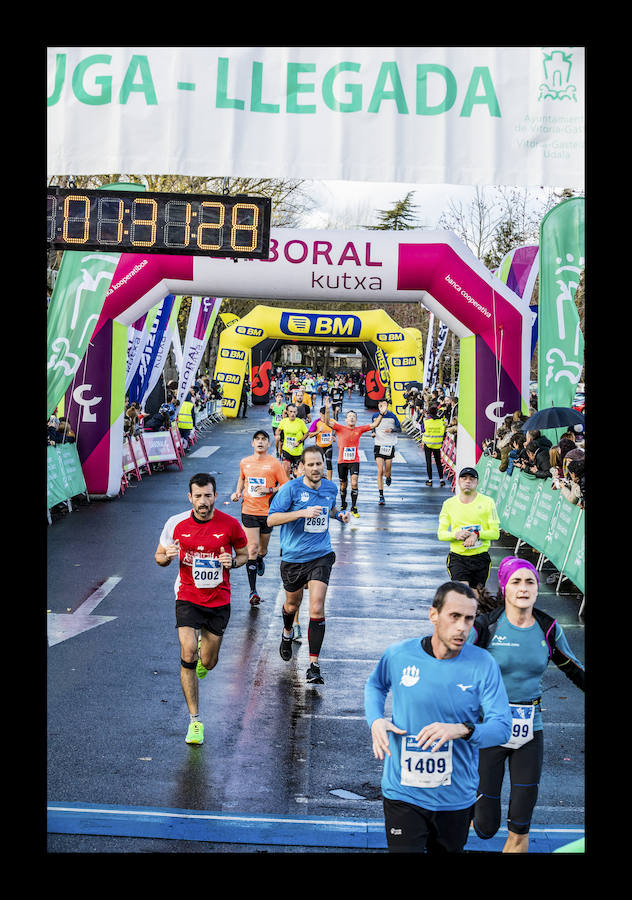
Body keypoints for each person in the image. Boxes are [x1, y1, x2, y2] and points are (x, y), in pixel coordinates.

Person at [365, 581, 511, 854]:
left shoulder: (483, 664)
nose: (462, 627)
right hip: (403, 793)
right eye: (454, 616)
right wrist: (375, 720)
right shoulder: (399, 654)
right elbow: (375, 685)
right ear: (434, 615)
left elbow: (502, 728)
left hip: (455, 798)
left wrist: (463, 730)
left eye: (469, 619)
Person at [469, 556, 584, 853]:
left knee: (520, 826)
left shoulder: (547, 628)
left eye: (530, 582)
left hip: (530, 731)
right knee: (484, 827)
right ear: (505, 587)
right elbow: (454, 669)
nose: (523, 588)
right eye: (516, 582)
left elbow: (574, 668)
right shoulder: (486, 627)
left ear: (537, 589)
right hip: (490, 729)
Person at [154, 473, 249, 745]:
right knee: (187, 651)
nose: (203, 501)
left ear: (215, 496)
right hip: (187, 596)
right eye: (198, 496)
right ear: (190, 498)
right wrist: (166, 557)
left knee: (208, 661)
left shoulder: (230, 525)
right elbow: (159, 556)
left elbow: (244, 554)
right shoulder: (176, 524)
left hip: (218, 600)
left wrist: (233, 560)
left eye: (208, 495)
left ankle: (201, 658)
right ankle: (195, 721)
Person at [267, 445, 350, 684]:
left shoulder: (330, 488)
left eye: (319, 464)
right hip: (293, 558)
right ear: (301, 467)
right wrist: (301, 513)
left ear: (324, 465)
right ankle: (286, 633)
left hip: (321, 555)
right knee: (292, 605)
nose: (315, 468)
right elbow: (272, 519)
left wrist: (339, 515)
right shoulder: (290, 490)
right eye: (310, 464)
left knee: (316, 607)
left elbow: (330, 510)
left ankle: (313, 665)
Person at [230, 430, 289, 606]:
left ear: (269, 444)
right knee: (252, 549)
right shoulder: (245, 462)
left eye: (264, 439)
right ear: (252, 443)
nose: (260, 442)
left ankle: (261, 559)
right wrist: (238, 492)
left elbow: (285, 485)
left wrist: (270, 490)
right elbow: (241, 478)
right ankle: (253, 591)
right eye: (257, 439)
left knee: (262, 551)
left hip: (268, 513)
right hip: (249, 510)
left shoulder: (274, 464)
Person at [437, 467, 500, 594]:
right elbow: (441, 534)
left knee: (476, 599)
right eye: (464, 478)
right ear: (459, 481)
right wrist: (456, 535)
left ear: (477, 482)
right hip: (458, 558)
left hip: (480, 558)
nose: (468, 481)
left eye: (472, 479)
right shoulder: (449, 504)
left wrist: (477, 535)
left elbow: (495, 533)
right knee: (462, 594)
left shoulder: (488, 502)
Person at [325, 403, 384, 518]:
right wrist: (327, 409)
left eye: (354, 416)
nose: (352, 418)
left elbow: (375, 424)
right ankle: (343, 504)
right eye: (349, 416)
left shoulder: (359, 429)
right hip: (342, 461)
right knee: (343, 485)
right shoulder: (339, 428)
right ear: (346, 420)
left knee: (354, 482)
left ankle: (354, 507)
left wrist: (381, 413)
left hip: (354, 461)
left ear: (356, 420)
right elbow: (327, 422)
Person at [371, 398, 402, 505]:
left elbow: (400, 429)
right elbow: (373, 427)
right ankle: (381, 495)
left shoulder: (393, 416)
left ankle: (388, 477)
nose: (382, 407)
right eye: (380, 405)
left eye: (384, 405)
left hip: (389, 445)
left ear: (387, 406)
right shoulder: (375, 416)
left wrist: (392, 430)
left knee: (387, 471)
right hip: (378, 444)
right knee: (380, 471)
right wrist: (373, 433)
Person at [306, 401, 336, 481]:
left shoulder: (332, 421)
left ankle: (330, 480)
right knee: (319, 463)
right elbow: (310, 435)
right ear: (320, 414)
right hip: (319, 447)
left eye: (326, 415)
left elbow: (337, 430)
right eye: (323, 415)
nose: (324, 416)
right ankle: (320, 477)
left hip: (328, 446)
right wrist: (318, 432)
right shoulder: (316, 422)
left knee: (329, 462)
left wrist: (334, 436)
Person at [277, 403, 309, 477]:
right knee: (286, 468)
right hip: (286, 449)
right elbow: (278, 430)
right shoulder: (284, 421)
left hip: (297, 451)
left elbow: (307, 433)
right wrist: (278, 435)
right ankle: (288, 485)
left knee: (299, 473)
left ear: (297, 412)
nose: (292, 414)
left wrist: (299, 441)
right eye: (291, 412)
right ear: (287, 412)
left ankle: (297, 485)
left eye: (294, 412)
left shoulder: (300, 422)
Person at [421, 406, 446, 486]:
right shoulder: (441, 422)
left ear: (429, 413)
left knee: (429, 462)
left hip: (428, 444)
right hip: (437, 444)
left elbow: (422, 430)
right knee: (438, 462)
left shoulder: (426, 422)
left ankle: (430, 480)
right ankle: (441, 480)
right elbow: (444, 431)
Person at [268, 392, 287, 458]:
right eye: (278, 397)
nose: (279, 399)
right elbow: (269, 412)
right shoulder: (272, 405)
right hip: (275, 424)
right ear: (276, 398)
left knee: (281, 442)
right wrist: (271, 412)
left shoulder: (285, 405)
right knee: (277, 439)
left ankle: (281, 453)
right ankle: (277, 451)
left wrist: (284, 415)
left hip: (282, 425)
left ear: (282, 398)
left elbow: (287, 414)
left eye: (280, 397)